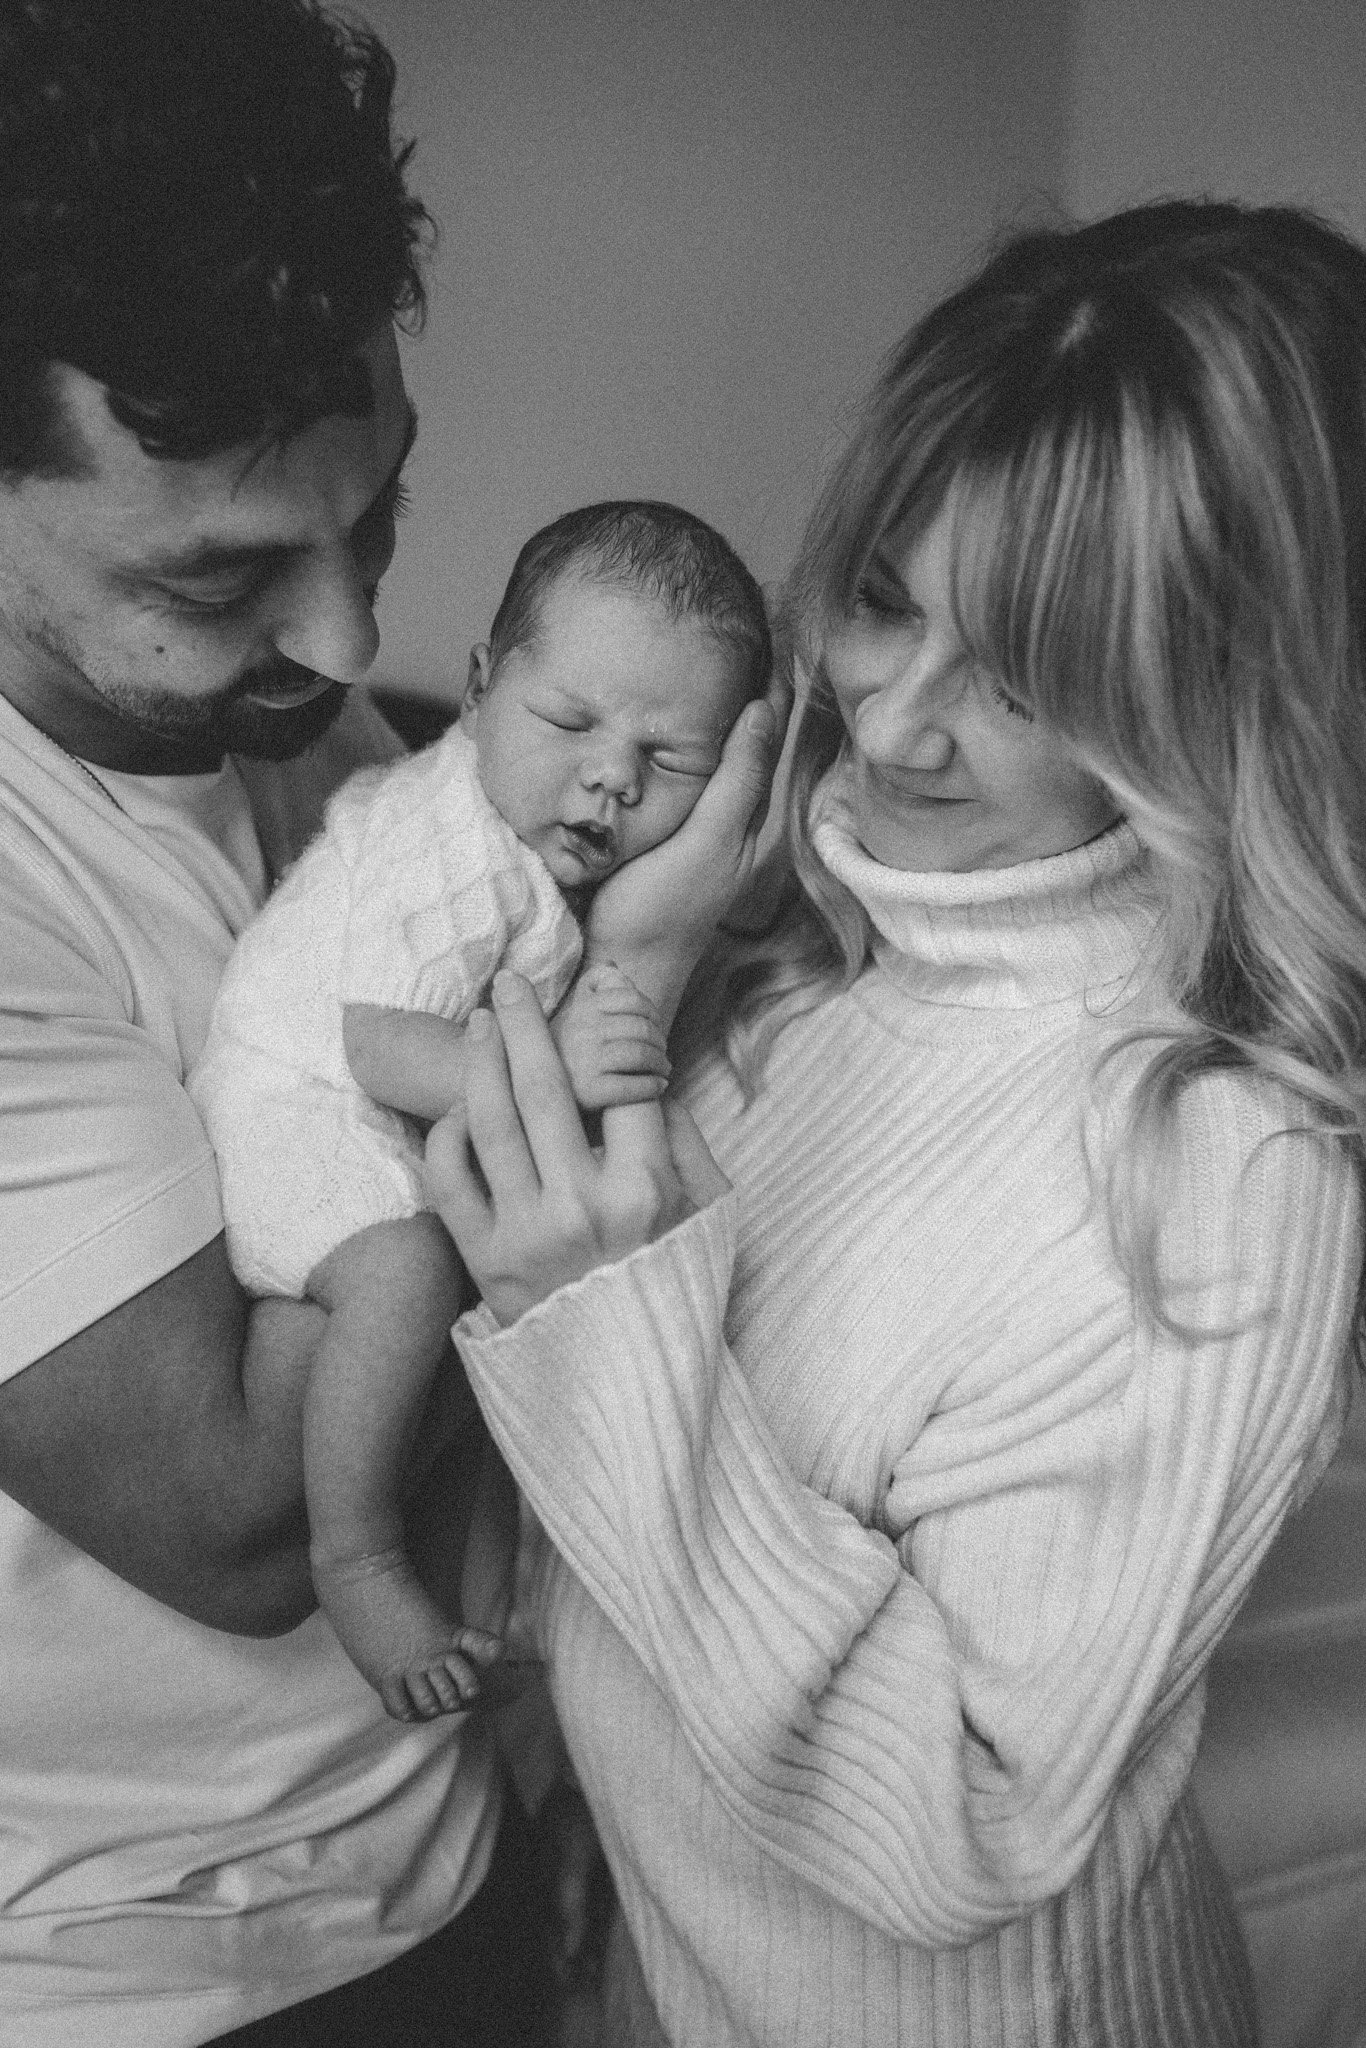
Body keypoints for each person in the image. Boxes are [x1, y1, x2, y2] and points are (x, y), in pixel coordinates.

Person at [422, 199, 1366, 2047]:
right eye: (880, 598)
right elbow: (659, 1595)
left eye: (1025, 676)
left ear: (1221, 704)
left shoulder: (1218, 1167)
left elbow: (966, 1822)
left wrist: (610, 1328)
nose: (896, 726)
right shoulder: (808, 947)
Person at [0, 3, 785, 2043]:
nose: (349, 638)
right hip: (144, 1968)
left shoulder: (326, 734)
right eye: (224, 576)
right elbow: (248, 1517)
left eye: (377, 515)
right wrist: (640, 975)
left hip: (453, 1848)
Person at [188, 499, 772, 1724]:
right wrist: (558, 1063)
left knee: (484, 1310)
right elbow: (382, 1043)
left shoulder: (546, 854)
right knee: (408, 1276)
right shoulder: (445, 836)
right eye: (569, 722)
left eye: (672, 760)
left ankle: (477, 1604)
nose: (613, 775)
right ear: (474, 692)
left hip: (383, 1112)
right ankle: (354, 1556)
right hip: (299, 1095)